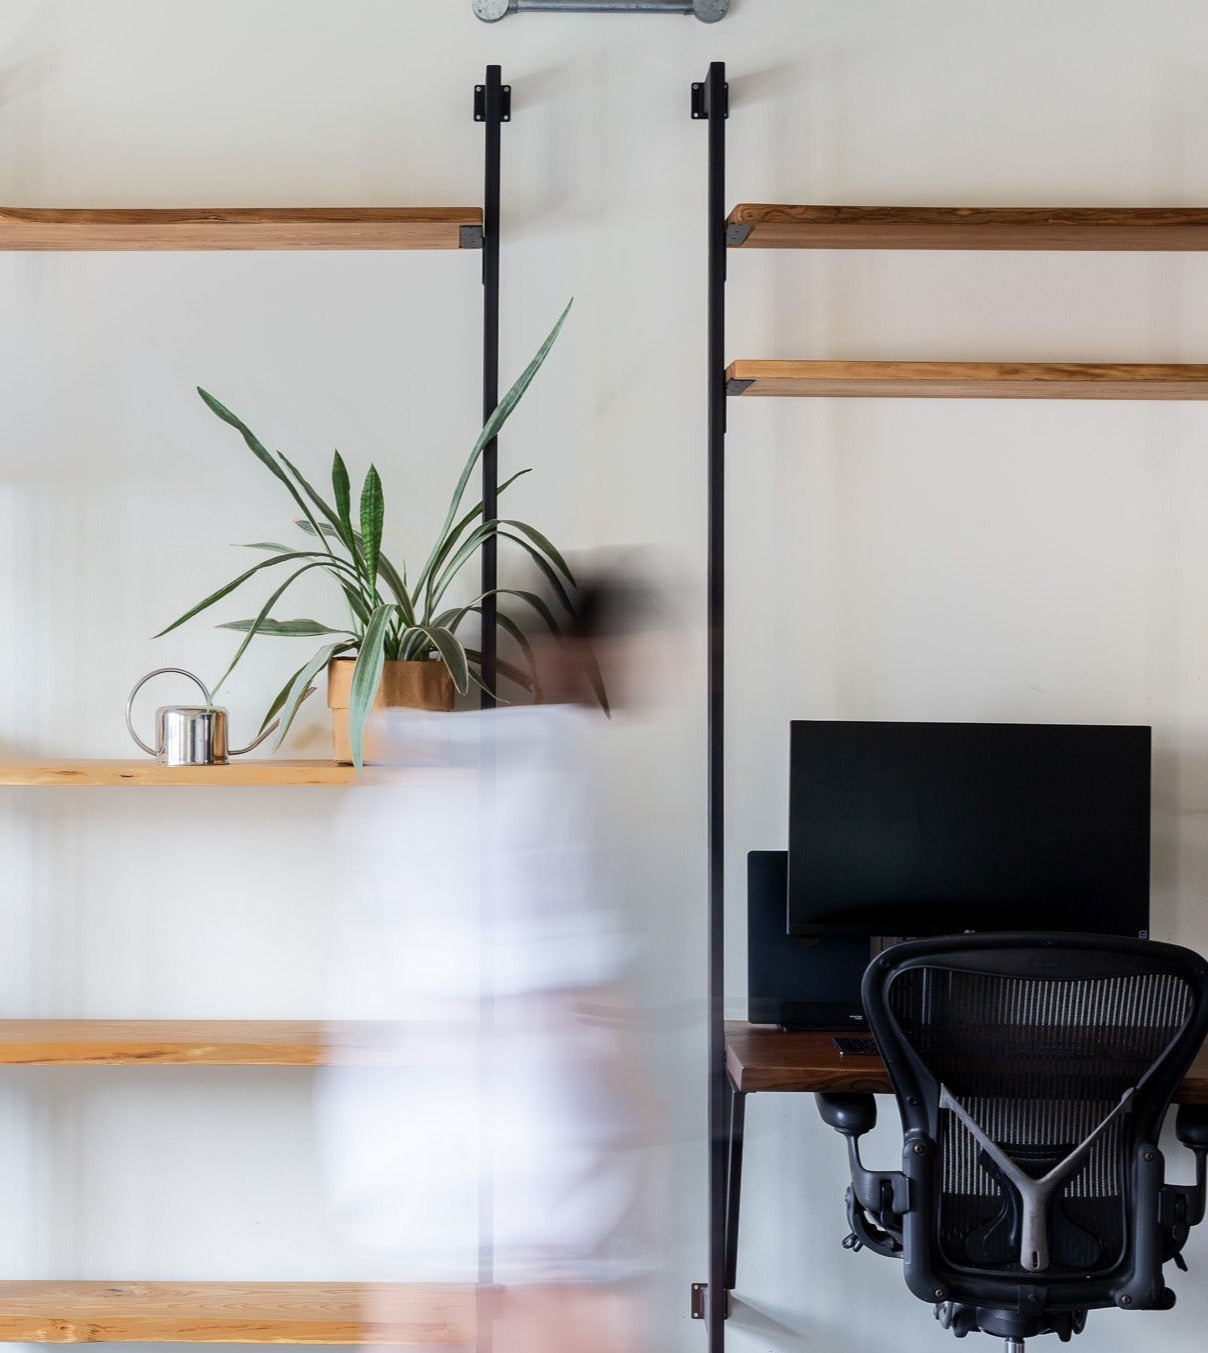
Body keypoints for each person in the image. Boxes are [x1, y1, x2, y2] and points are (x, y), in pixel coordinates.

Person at [316, 567, 661, 1353]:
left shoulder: (401, 782)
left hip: (402, 1153)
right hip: (531, 1153)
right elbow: (578, 995)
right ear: (573, 654)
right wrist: (644, 1119)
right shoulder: (549, 782)